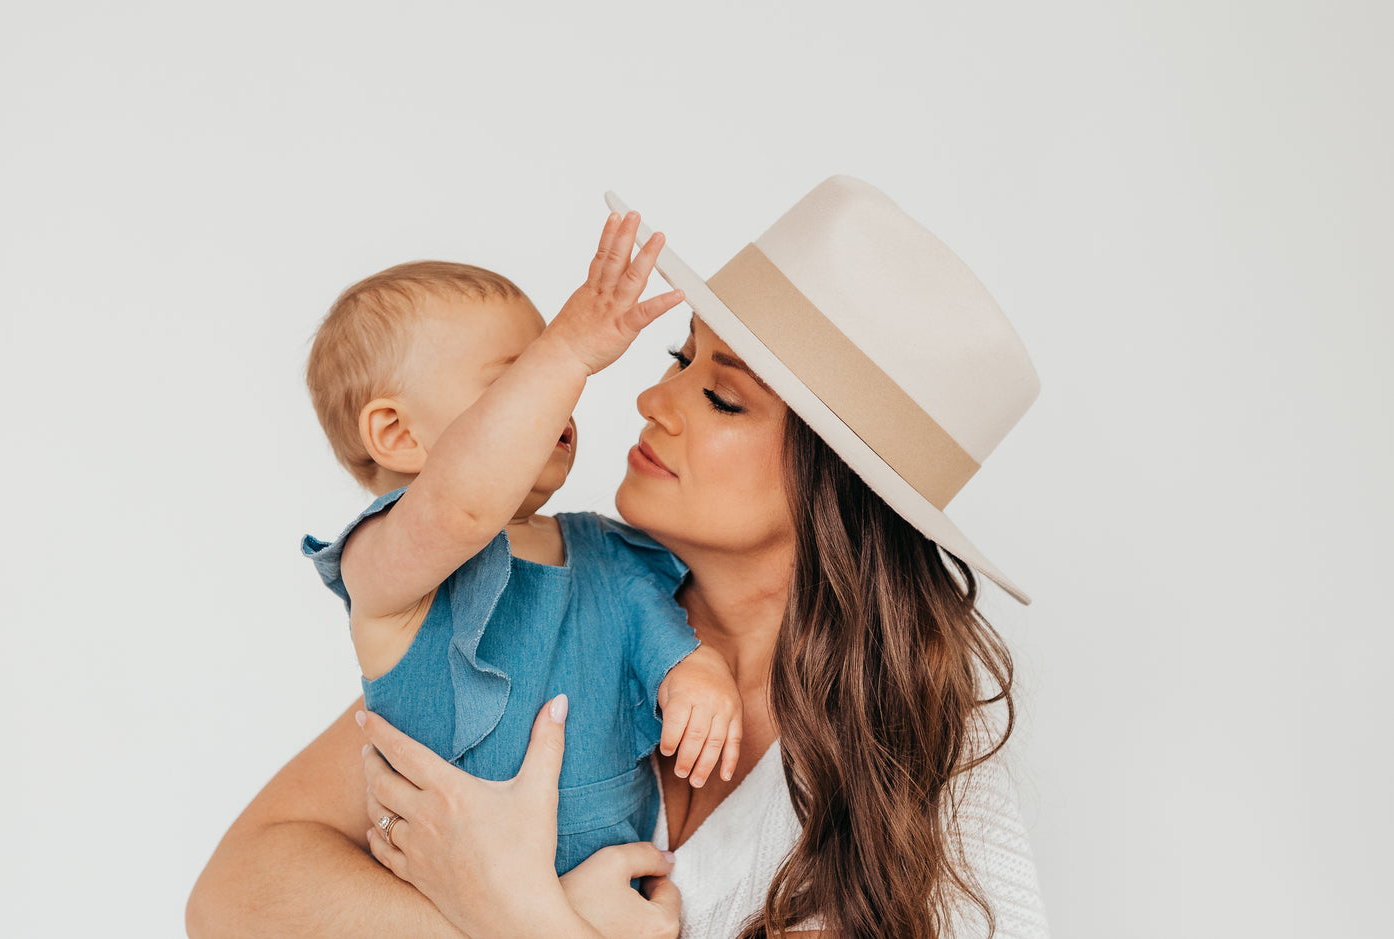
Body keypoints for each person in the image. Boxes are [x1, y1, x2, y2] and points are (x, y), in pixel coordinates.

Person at [187, 176, 1049, 939]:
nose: (648, 396)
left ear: (839, 485)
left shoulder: (918, 753)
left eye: (720, 394)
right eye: (681, 356)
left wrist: (517, 914)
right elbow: (233, 897)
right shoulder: (552, 602)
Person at [295, 213, 743, 876]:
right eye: (520, 379)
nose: (558, 393)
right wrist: (565, 348)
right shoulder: (386, 562)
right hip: (443, 903)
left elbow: (658, 631)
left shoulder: (604, 549)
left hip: (617, 881)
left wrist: (694, 673)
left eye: (558, 377)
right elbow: (460, 509)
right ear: (396, 434)